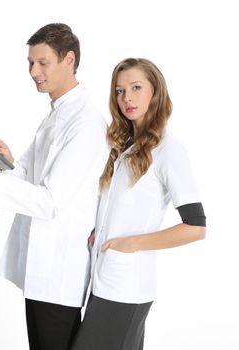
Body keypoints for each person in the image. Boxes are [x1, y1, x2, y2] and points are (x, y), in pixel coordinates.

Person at [0, 24, 109, 350]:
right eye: (30, 63)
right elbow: (26, 172)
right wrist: (2, 164)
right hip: (41, 269)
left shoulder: (87, 123)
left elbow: (49, 200)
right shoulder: (56, 115)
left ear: (69, 60)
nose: (34, 72)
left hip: (58, 269)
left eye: (42, 63)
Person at [71, 58, 206, 350]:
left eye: (136, 88)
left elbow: (195, 227)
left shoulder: (169, 150)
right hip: (103, 281)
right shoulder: (123, 148)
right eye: (119, 91)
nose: (127, 98)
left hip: (126, 287)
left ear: (155, 91)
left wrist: (130, 243)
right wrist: (100, 232)